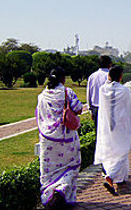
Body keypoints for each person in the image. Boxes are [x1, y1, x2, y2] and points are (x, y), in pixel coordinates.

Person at [36, 67, 83, 209]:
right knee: (71, 167)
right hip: (66, 139)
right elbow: (79, 108)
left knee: (49, 171)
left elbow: (39, 114)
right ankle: (63, 192)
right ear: (63, 79)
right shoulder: (67, 93)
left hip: (47, 140)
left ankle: (49, 196)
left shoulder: (42, 95)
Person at [94, 65, 131, 195]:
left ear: (109, 76)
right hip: (121, 126)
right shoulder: (124, 91)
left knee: (111, 151)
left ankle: (120, 176)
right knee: (123, 151)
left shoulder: (103, 89)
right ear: (121, 76)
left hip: (107, 126)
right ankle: (111, 175)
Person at [87, 55, 112, 134]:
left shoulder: (92, 76)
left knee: (98, 132)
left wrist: (90, 108)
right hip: (107, 107)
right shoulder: (109, 76)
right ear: (109, 64)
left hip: (95, 107)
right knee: (108, 133)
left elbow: (89, 93)